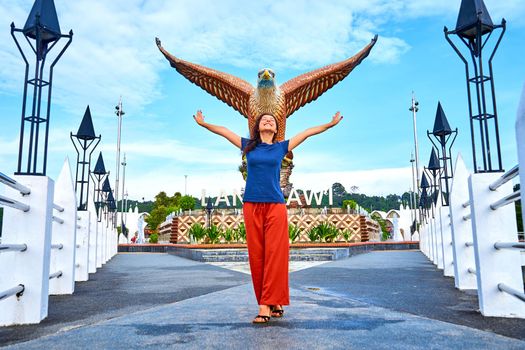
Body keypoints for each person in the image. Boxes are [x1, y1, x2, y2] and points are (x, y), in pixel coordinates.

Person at [193, 109, 343, 324]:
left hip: (275, 205)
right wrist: (203, 124)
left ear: (276, 128)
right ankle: (268, 302)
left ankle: (270, 302)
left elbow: (307, 132)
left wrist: (329, 124)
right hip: (251, 204)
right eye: (264, 119)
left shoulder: (281, 147)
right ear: (258, 126)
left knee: (276, 254)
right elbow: (225, 131)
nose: (268, 121)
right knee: (258, 255)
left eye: (271, 120)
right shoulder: (248, 145)